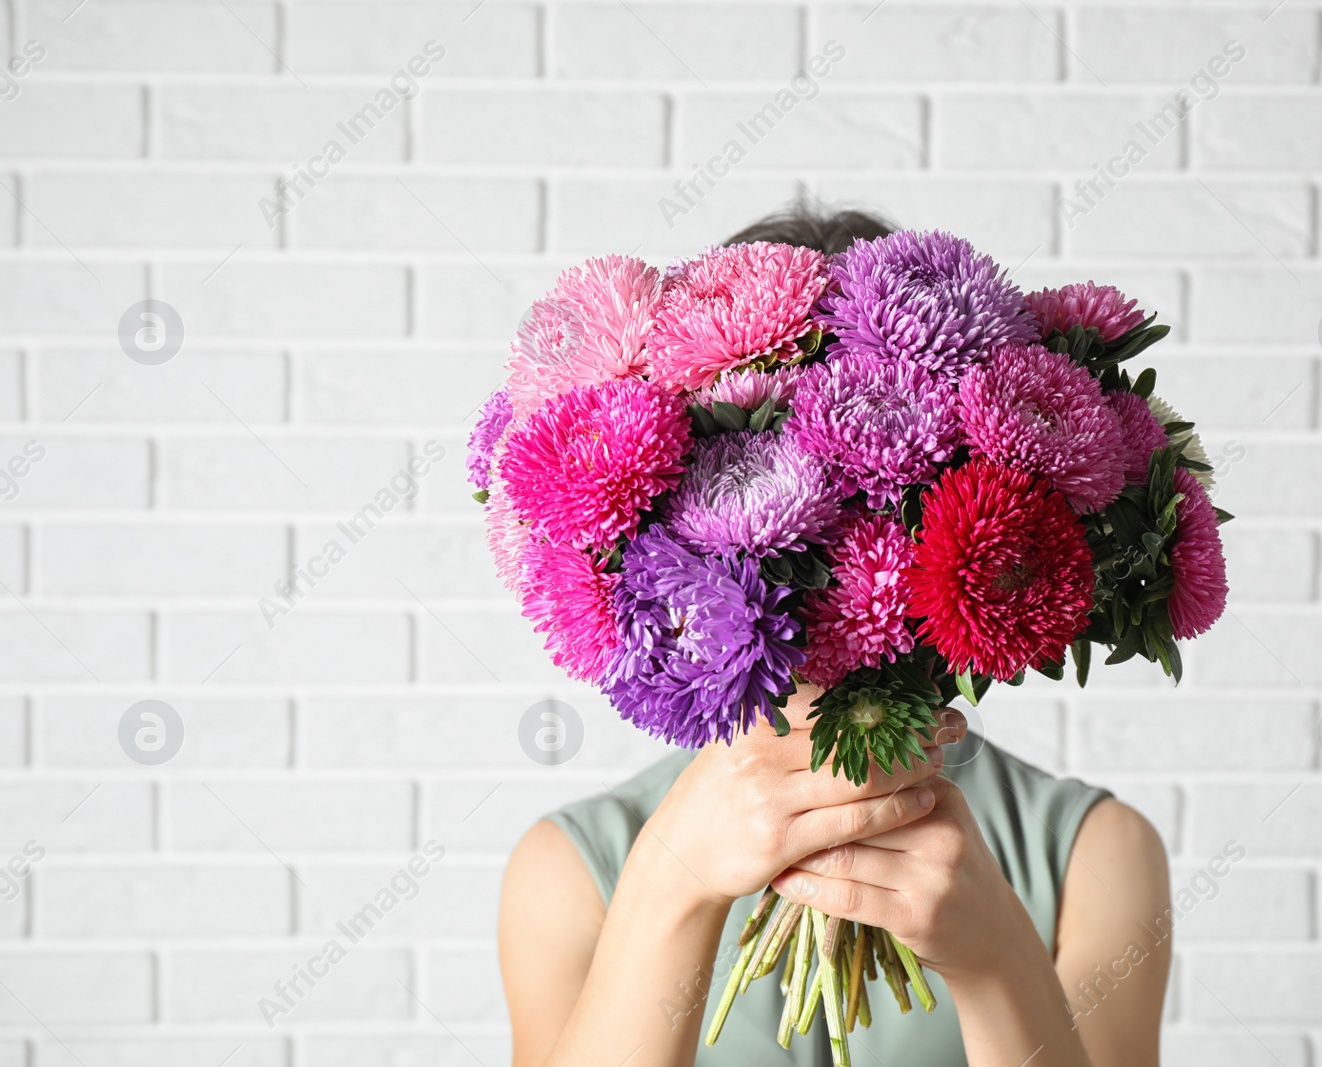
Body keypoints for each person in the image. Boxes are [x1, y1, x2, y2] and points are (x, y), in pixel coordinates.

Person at [498, 208, 1173, 1067]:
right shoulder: (568, 869)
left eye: (867, 544)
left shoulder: (1096, 853)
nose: (826, 616)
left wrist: (997, 957)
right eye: (806, 566)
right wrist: (670, 886)